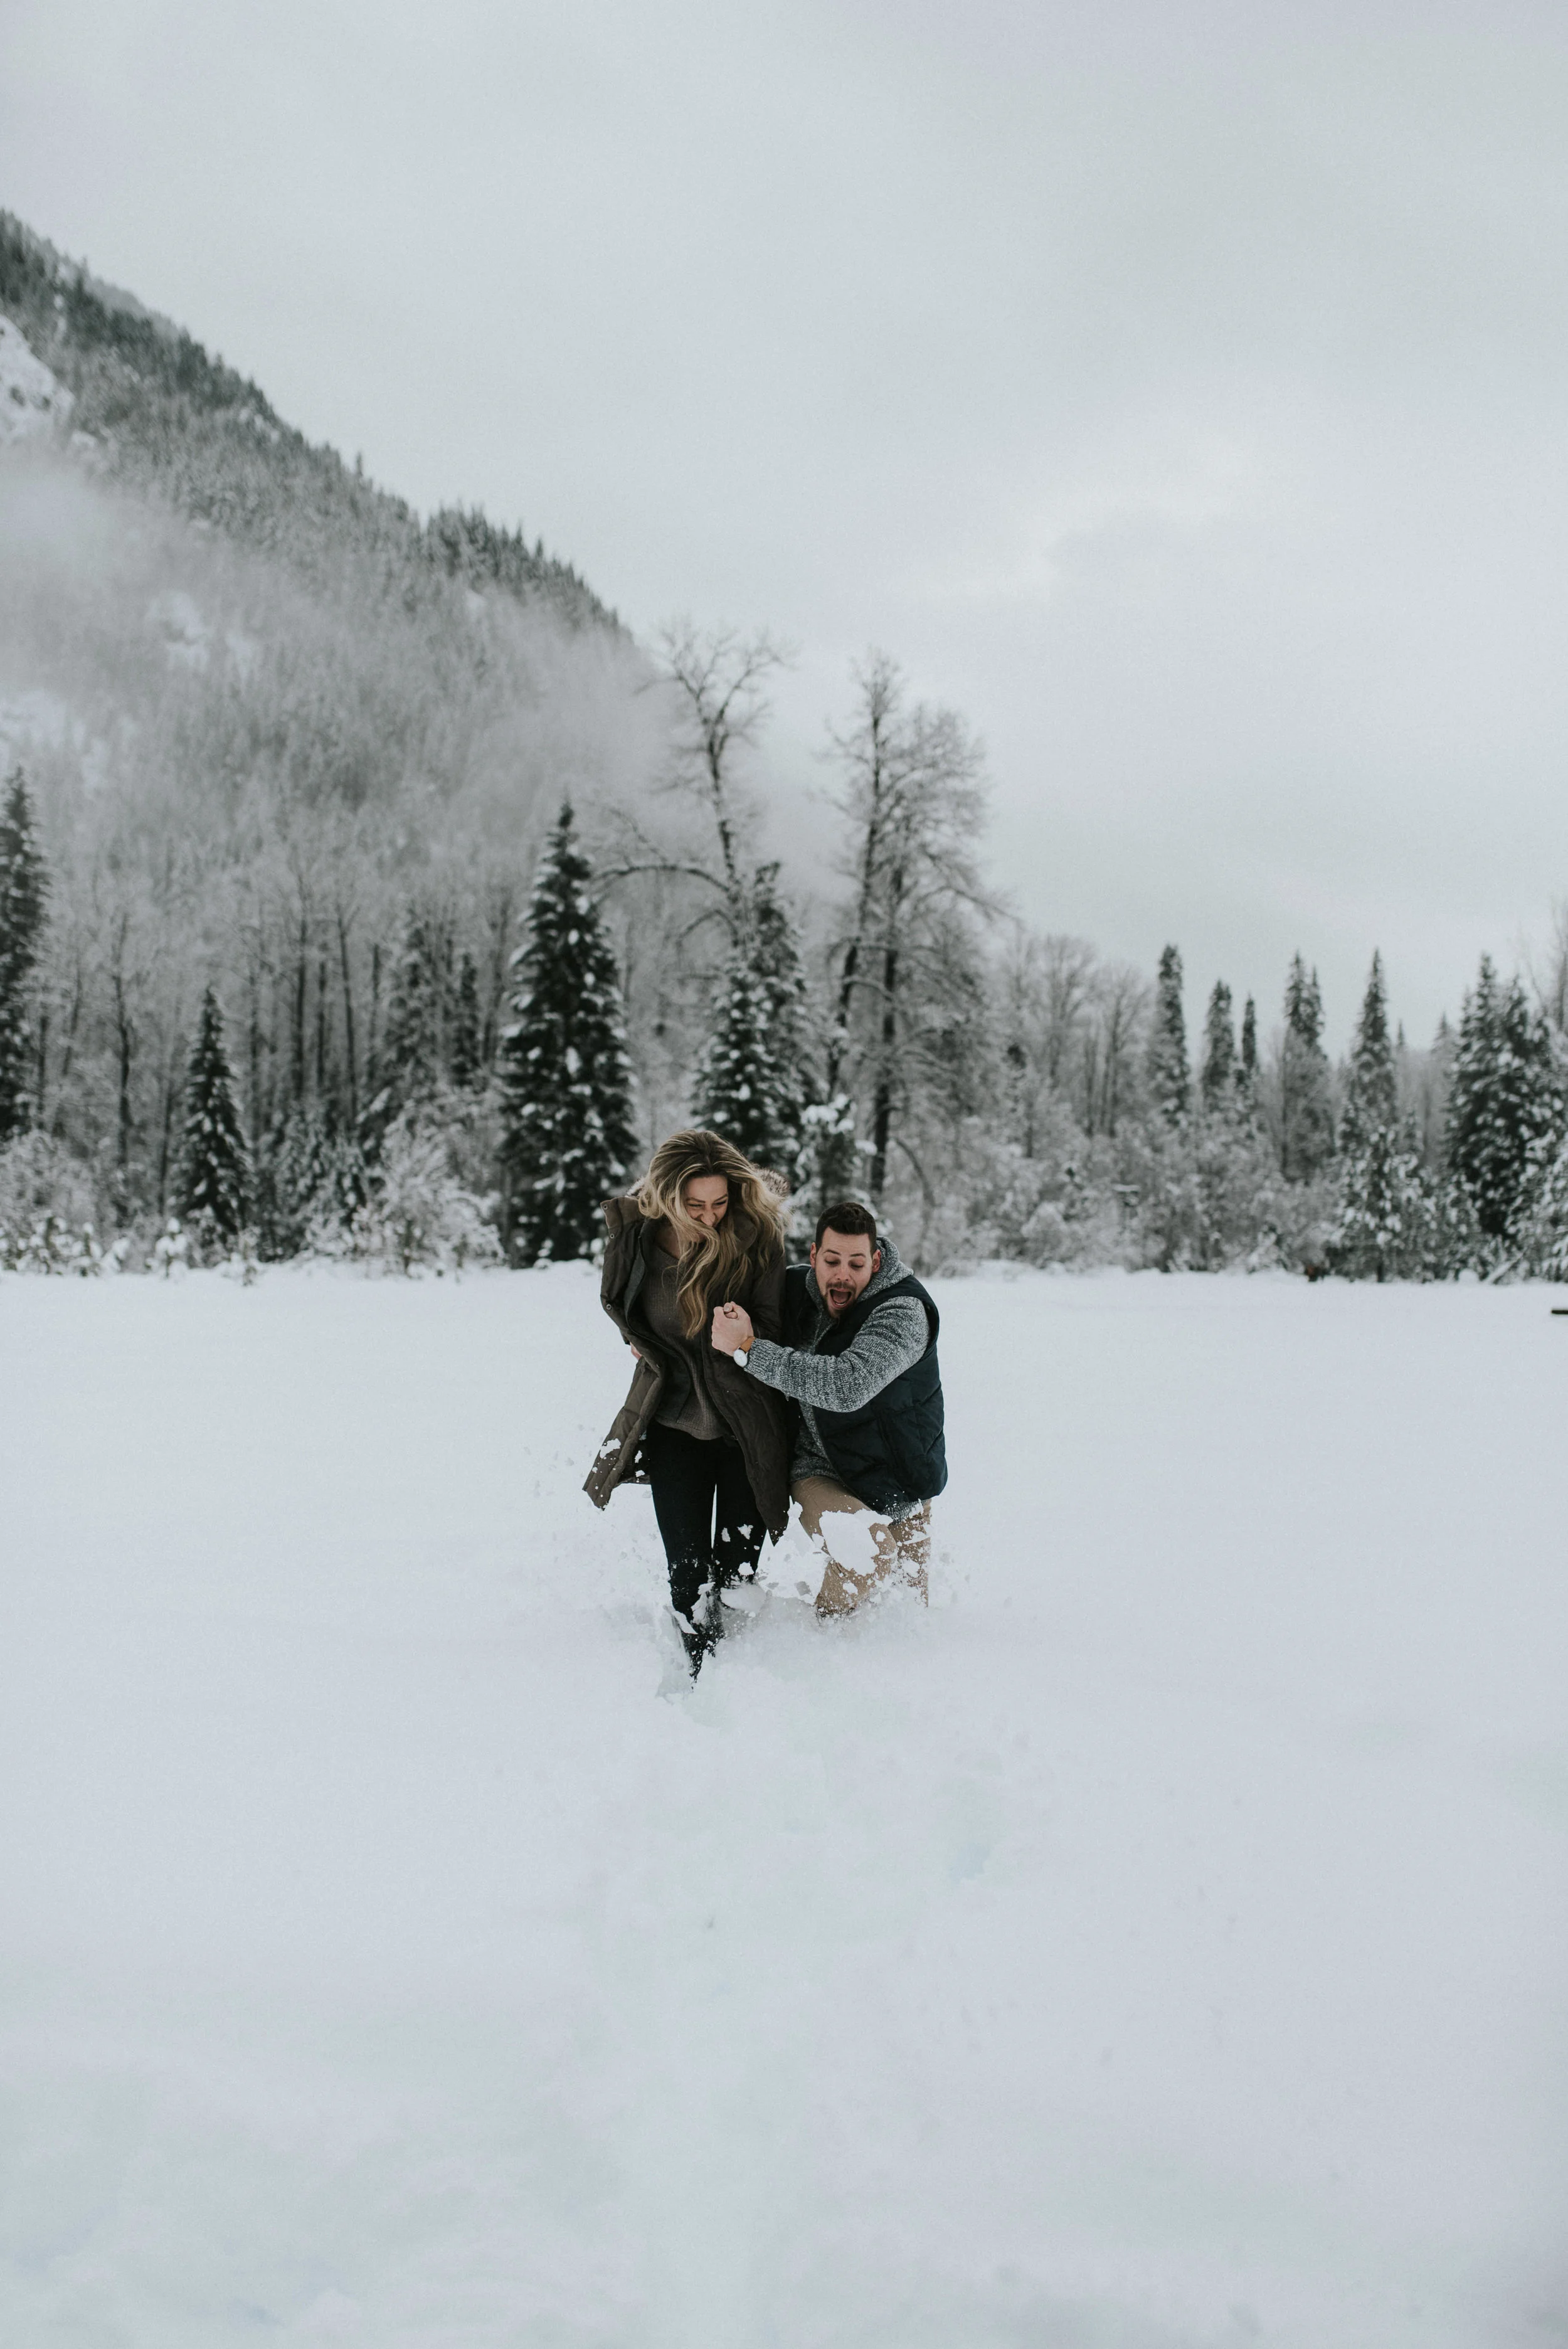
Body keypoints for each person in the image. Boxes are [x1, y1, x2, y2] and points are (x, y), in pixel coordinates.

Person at [585, 1130, 792, 1672]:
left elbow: (773, 1325)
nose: (709, 1215)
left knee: (738, 1576)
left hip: (745, 1424)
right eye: (694, 1204)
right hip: (674, 1423)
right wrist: (635, 1340)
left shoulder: (758, 1236)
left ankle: (740, 1682)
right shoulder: (637, 1237)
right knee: (687, 1574)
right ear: (668, 1195)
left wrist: (748, 1335)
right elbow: (623, 1305)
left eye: (720, 1202)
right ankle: (700, 1678)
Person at [710, 1200, 946, 1615]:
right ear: (814, 1256)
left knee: (907, 1616)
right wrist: (644, 1338)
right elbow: (714, 1300)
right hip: (821, 1468)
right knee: (869, 1556)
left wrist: (750, 1350)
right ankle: (819, 1640)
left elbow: (846, 1385)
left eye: (856, 1264)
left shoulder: (903, 1311)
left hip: (901, 1480)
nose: (842, 1275)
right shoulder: (795, 1291)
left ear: (876, 1261)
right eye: (832, 1260)